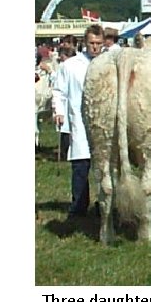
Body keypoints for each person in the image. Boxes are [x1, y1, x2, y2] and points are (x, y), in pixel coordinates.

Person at [52, 24, 105, 218]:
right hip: (79, 120)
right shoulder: (71, 65)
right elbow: (59, 91)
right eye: (91, 43)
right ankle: (79, 205)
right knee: (81, 165)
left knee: (104, 166)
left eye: (98, 43)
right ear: (84, 42)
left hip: (104, 123)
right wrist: (58, 111)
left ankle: (104, 204)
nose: (94, 47)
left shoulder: (109, 64)